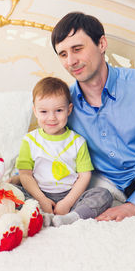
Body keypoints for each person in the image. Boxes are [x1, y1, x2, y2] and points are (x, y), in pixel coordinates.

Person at [51, 11, 135, 222]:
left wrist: (133, 205)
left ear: (101, 44)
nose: (71, 61)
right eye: (63, 54)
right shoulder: (63, 105)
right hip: (102, 192)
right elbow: (43, 147)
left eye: (77, 49)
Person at [13, 76, 112, 227]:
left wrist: (67, 203)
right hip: (38, 193)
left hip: (70, 195)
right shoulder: (29, 141)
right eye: (44, 111)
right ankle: (39, 214)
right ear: (35, 111)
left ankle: (72, 217)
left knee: (104, 194)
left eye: (58, 110)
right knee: (11, 191)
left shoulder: (77, 142)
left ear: (69, 110)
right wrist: (41, 200)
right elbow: (25, 175)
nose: (52, 117)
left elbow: (85, 176)